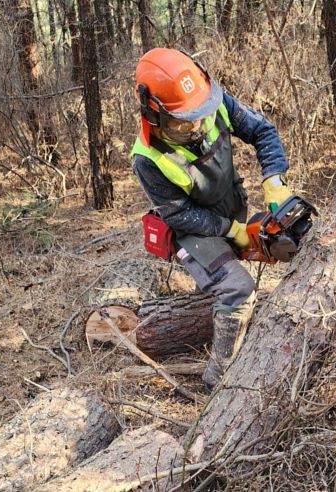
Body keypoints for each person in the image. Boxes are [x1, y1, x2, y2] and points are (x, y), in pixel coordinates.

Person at [131, 48, 293, 389]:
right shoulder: (148, 159)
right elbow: (180, 214)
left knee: (281, 235)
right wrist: (230, 230)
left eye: (199, 114)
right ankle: (220, 380)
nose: (196, 124)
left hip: (230, 204)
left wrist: (274, 181)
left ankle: (214, 317)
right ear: (153, 115)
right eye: (183, 120)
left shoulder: (211, 103)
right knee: (238, 288)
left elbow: (262, 131)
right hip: (193, 231)